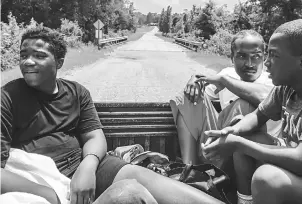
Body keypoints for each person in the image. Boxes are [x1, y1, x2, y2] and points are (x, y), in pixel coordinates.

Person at [1, 26, 224, 204]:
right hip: (36, 179)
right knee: (130, 193)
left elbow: (93, 136)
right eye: (24, 55)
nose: (28, 61)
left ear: (58, 62)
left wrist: (87, 167)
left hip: (87, 165)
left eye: (39, 55)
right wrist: (48, 193)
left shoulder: (76, 92)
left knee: (153, 183)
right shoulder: (8, 97)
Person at [201, 19, 302, 204]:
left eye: (274, 55)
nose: (266, 63)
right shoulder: (287, 87)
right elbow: (257, 116)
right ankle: (245, 201)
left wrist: (238, 144)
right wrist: (232, 132)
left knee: (268, 178)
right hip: (300, 166)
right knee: (247, 136)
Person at [170, 29, 279, 165]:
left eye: (256, 56)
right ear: (232, 58)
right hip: (218, 144)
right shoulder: (228, 73)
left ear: (264, 56)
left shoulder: (273, 79)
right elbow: (199, 98)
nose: (249, 64)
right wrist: (196, 82)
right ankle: (189, 168)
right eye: (242, 56)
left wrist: (225, 81)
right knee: (188, 96)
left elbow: (269, 101)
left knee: (244, 104)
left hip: (256, 152)